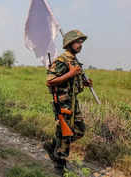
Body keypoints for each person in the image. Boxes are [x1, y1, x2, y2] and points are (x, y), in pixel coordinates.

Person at [44, 30, 93, 174]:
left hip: (72, 102)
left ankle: (53, 146)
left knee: (79, 130)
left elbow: (71, 81)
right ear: (69, 43)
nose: (80, 45)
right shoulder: (62, 60)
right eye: (78, 42)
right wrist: (70, 73)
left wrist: (84, 83)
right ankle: (59, 166)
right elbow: (50, 81)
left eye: (81, 42)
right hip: (63, 103)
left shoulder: (74, 60)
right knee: (65, 133)